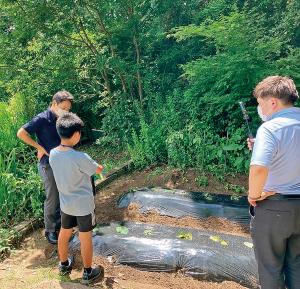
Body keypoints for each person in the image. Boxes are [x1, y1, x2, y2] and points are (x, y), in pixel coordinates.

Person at [248, 76, 300, 289]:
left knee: (271, 268)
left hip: (275, 208)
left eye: (260, 103)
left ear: (272, 102)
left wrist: (254, 195)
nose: (260, 109)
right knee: (297, 264)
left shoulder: (270, 128)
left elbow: (259, 168)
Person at [49, 112, 104, 284]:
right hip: (83, 206)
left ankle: (64, 264)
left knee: (65, 232)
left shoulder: (52, 153)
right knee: (85, 236)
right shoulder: (80, 157)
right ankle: (88, 272)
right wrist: (99, 165)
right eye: (79, 132)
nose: (80, 135)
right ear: (75, 134)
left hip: (66, 204)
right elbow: (98, 170)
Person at [17, 91, 74, 244]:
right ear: (54, 104)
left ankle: (64, 225)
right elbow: (21, 133)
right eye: (64, 107)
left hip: (63, 161)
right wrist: (39, 147)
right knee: (53, 196)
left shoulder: (62, 118)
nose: (66, 111)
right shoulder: (42, 118)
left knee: (64, 192)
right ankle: (50, 230)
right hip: (48, 164)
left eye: (68, 109)